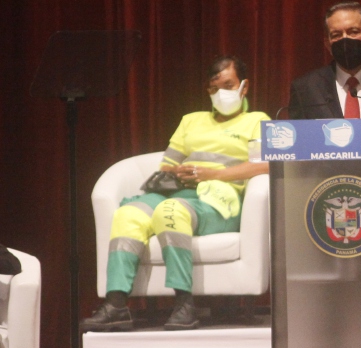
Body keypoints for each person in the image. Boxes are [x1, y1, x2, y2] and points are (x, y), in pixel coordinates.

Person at [81, 55, 270, 332]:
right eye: (214, 89)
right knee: (128, 214)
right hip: (178, 190)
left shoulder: (256, 121)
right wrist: (177, 173)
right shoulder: (191, 121)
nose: (221, 94)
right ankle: (116, 304)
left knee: (171, 212)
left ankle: (184, 304)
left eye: (228, 86)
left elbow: (264, 164)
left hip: (219, 199)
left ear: (244, 86)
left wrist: (211, 174)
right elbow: (168, 163)